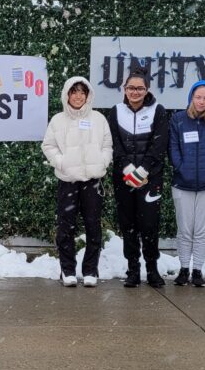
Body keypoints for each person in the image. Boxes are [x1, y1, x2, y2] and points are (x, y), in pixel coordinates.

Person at [41, 76, 112, 287]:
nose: (78, 96)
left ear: (88, 95)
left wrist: (102, 162)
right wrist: (61, 162)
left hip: (92, 180)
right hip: (68, 180)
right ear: (67, 94)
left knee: (93, 226)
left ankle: (91, 270)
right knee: (66, 227)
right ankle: (67, 270)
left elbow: (107, 145)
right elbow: (48, 146)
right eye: (74, 91)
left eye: (82, 92)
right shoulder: (58, 120)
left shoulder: (99, 119)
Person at [107, 66, 169, 287]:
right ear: (124, 89)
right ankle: (133, 269)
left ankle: (152, 269)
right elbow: (113, 143)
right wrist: (127, 170)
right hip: (123, 178)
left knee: (150, 225)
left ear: (147, 90)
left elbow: (159, 145)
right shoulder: (115, 111)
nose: (135, 92)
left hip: (149, 179)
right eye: (131, 88)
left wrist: (142, 171)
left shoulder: (158, 111)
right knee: (128, 225)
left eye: (139, 88)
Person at [168, 79, 205, 287]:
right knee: (185, 230)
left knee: (202, 231)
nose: (201, 101)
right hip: (181, 184)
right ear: (191, 98)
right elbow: (173, 147)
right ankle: (184, 269)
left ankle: (197, 270)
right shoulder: (178, 119)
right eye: (198, 97)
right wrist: (180, 167)